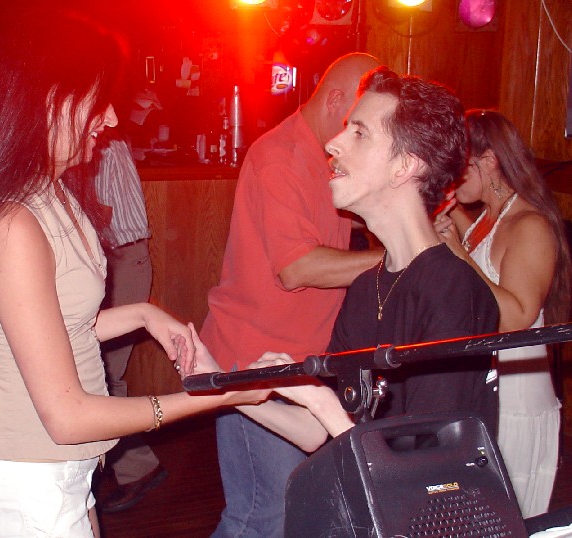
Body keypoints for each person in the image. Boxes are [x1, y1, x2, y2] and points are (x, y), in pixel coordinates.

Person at [0, 15, 267, 538]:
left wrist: (143, 313)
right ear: (46, 99)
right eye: (98, 99)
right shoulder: (10, 223)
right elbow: (67, 417)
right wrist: (218, 397)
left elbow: (57, 327)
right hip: (26, 481)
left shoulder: (50, 191)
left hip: (60, 473)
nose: (110, 117)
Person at [193, 67, 500, 470]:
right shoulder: (367, 289)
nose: (333, 143)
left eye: (359, 133)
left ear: (404, 166)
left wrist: (319, 400)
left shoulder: (453, 292)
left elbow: (423, 470)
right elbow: (313, 431)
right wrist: (219, 383)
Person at [199, 52, 382, 537]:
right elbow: (297, 268)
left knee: (288, 514)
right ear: (336, 101)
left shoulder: (327, 158)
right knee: (261, 518)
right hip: (256, 361)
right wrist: (397, 258)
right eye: (360, 120)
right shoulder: (280, 157)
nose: (361, 133)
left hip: (300, 362)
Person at [434, 109, 571, 518]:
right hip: (483, 395)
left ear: (490, 160)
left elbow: (517, 318)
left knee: (506, 521)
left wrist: (458, 254)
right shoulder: (488, 219)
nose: (455, 179)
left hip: (515, 402)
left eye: (461, 166)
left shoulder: (530, 225)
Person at [88, 130, 167, 514]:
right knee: (101, 375)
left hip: (120, 262)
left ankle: (138, 467)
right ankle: (127, 465)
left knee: (103, 376)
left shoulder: (107, 146)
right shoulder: (98, 144)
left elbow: (105, 216)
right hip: (113, 261)